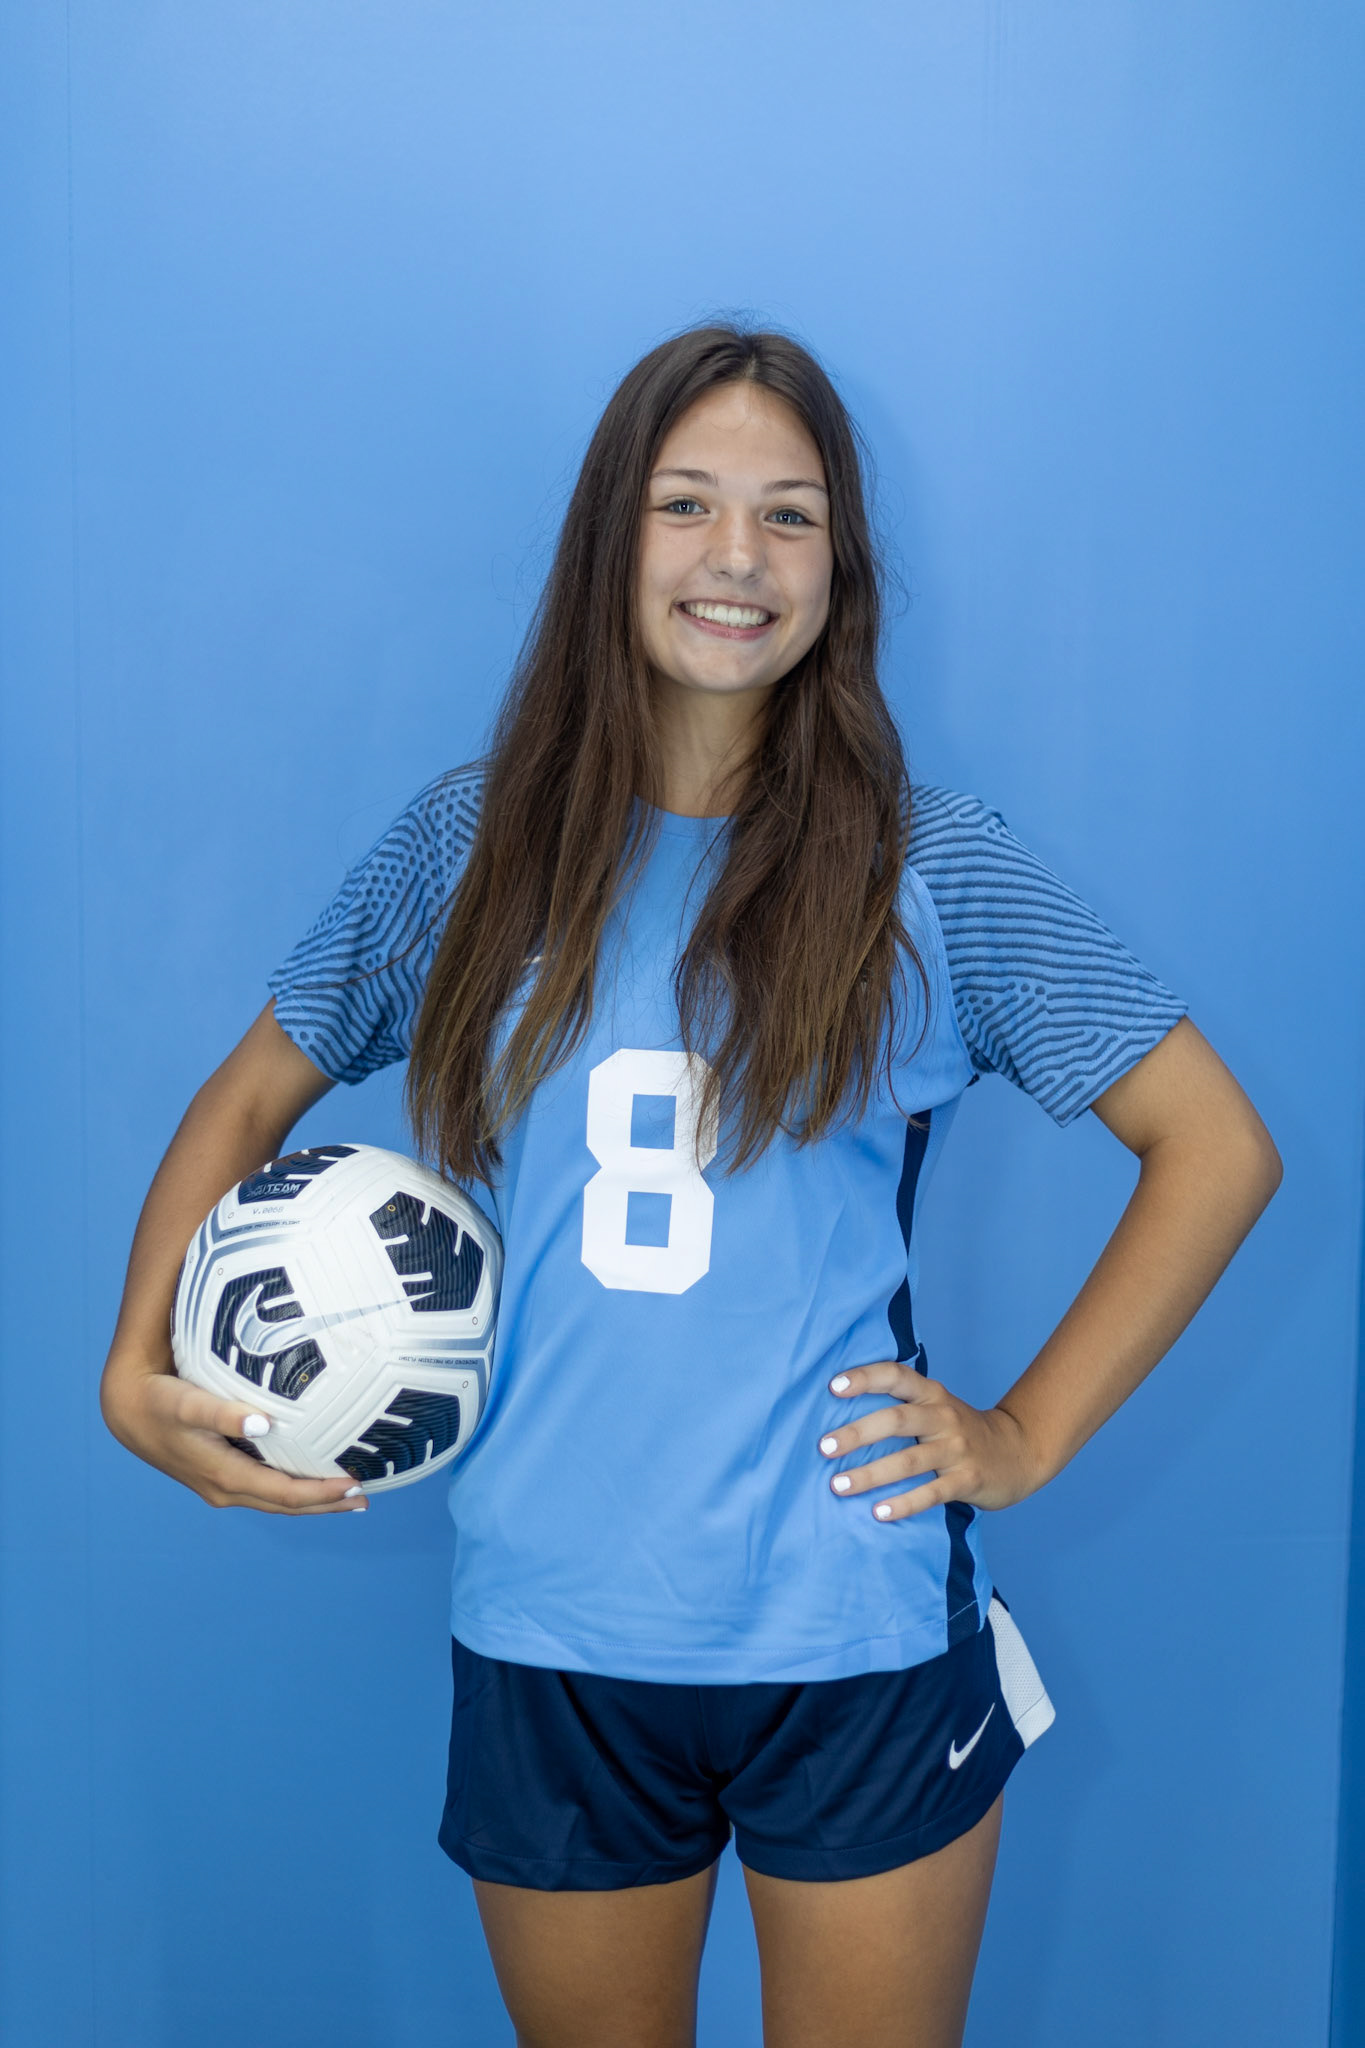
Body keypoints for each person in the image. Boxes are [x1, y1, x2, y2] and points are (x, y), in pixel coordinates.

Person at [100, 323, 1282, 2048]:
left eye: (790, 516)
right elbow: (248, 1095)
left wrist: (1022, 1435)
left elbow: (1217, 1148)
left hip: (854, 1629)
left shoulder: (924, 865)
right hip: (551, 1630)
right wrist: (136, 1371)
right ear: (611, 540)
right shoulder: (471, 847)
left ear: (840, 568)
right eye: (687, 504)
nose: (737, 557)